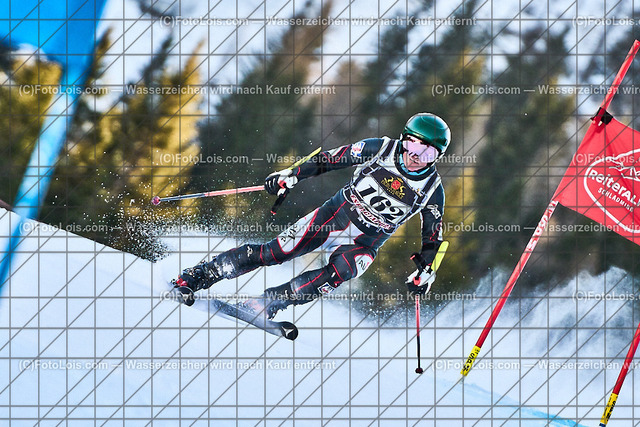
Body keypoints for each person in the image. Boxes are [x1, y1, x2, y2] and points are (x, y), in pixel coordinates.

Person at [172, 113, 450, 319]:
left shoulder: (432, 190)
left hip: (365, 242)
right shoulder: (381, 149)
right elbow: (330, 159)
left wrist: (426, 271)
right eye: (414, 146)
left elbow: (432, 238)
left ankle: (268, 303)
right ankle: (199, 275)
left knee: (343, 271)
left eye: (428, 153)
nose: (417, 156)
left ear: (437, 157)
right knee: (274, 253)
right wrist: (293, 175)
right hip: (333, 217)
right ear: (404, 140)